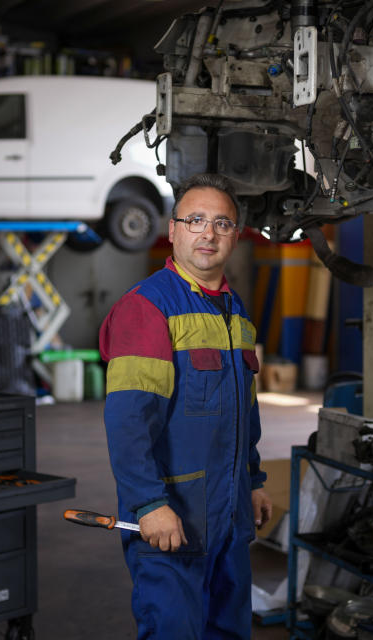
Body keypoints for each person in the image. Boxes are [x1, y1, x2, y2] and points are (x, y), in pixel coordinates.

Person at [99, 172, 273, 639]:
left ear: (236, 236)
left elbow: (245, 412)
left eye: (222, 223)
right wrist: (149, 504)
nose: (208, 233)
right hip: (174, 511)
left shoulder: (237, 313)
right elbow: (129, 421)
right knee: (174, 630)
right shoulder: (148, 309)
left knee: (229, 629)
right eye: (194, 220)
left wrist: (253, 481)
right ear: (172, 230)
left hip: (230, 512)